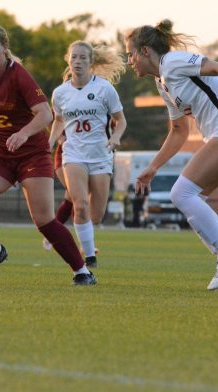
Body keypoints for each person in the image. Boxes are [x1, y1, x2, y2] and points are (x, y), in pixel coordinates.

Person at [0, 23, 96, 285]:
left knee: (43, 220)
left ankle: (82, 271)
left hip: (32, 154)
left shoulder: (19, 75)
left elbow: (45, 114)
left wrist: (23, 134)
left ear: (4, 48)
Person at [124, 20, 218, 291]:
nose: (129, 61)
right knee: (191, 199)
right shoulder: (163, 84)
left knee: (181, 194)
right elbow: (178, 131)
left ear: (146, 51)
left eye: (130, 53)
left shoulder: (173, 62)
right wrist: (153, 167)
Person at [48, 41, 127, 269]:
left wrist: (115, 137)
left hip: (101, 155)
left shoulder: (104, 89)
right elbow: (59, 120)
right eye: (74, 57)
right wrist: (50, 142)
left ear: (91, 62)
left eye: (83, 58)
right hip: (74, 154)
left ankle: (87, 242)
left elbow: (121, 120)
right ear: (68, 60)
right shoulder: (60, 93)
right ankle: (89, 258)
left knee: (97, 214)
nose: (78, 62)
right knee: (79, 205)